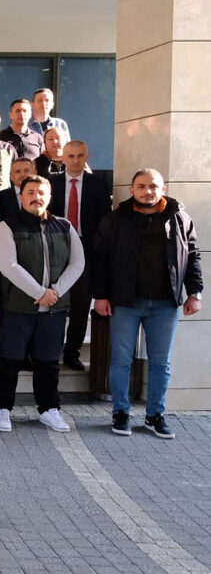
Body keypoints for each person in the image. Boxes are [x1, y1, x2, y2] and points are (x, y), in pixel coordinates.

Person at [92, 168, 202, 439]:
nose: (147, 191)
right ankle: (121, 413)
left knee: (161, 363)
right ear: (132, 190)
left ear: (162, 189)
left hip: (165, 303)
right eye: (141, 186)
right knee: (121, 360)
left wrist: (195, 292)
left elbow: (192, 255)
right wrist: (100, 295)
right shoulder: (116, 219)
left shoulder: (179, 217)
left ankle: (155, 415)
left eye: (153, 186)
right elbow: (100, 258)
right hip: (125, 302)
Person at [0, 175, 84, 433]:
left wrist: (55, 291)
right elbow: (7, 265)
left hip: (53, 308)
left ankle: (49, 409)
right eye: (30, 192)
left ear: (49, 197)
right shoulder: (8, 226)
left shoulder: (64, 226)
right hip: (18, 307)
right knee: (10, 359)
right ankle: (1, 407)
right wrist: (39, 292)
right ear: (21, 197)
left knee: (48, 361)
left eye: (41, 193)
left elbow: (78, 263)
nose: (36, 197)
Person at [48, 141, 112, 371]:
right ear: (63, 158)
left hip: (86, 248)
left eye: (80, 155)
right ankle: (50, 350)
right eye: (71, 156)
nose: (75, 160)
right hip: (56, 246)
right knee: (54, 300)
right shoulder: (51, 183)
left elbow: (105, 220)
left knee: (81, 302)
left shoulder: (98, 185)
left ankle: (72, 351)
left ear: (86, 157)